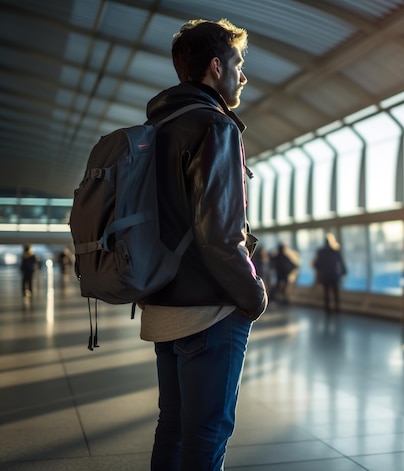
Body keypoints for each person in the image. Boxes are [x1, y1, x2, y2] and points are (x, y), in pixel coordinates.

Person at [138, 19, 267, 471]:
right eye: (238, 62)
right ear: (216, 67)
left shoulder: (156, 129)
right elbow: (220, 233)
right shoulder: (215, 127)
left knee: (171, 427)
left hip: (162, 304)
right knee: (207, 433)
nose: (243, 74)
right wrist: (253, 296)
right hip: (208, 309)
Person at [313, 233, 347, 314]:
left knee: (327, 293)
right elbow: (341, 262)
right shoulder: (335, 251)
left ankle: (328, 309)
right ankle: (337, 308)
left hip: (325, 275)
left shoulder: (321, 252)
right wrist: (344, 272)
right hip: (334, 274)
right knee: (335, 292)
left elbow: (317, 264)